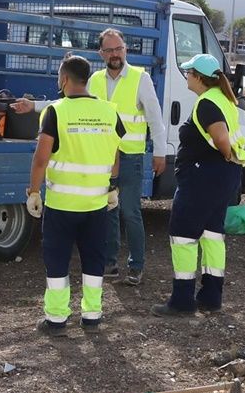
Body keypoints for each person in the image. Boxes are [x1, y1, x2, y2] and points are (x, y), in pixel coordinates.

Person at [13, 29, 166, 286]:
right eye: (109, 50)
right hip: (104, 157)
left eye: (119, 49)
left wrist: (160, 152)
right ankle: (110, 264)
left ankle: (136, 266)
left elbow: (155, 118)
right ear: (101, 53)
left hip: (130, 156)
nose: (115, 54)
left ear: (125, 50)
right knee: (108, 212)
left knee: (130, 212)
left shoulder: (141, 79)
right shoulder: (94, 78)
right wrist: (35, 106)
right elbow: (70, 101)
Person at [25, 54, 123, 336]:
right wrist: (112, 186)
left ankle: (56, 320)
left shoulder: (56, 111)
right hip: (96, 204)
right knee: (94, 260)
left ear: (65, 79)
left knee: (57, 260)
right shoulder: (109, 111)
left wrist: (34, 191)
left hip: (62, 205)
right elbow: (115, 155)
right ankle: (92, 317)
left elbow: (41, 158)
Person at [151, 53, 245, 318]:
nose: (186, 77)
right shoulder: (222, 98)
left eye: (188, 73)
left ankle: (182, 300)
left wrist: (225, 153)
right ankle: (211, 296)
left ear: (198, 77)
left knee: (183, 235)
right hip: (222, 178)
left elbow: (220, 138)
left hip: (202, 179)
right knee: (212, 234)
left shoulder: (207, 103)